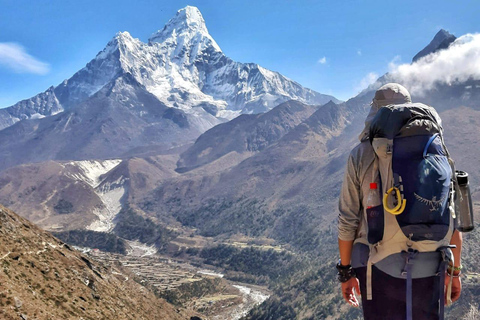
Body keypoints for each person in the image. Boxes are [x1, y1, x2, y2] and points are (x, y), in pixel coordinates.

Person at [337, 83, 462, 320]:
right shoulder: (437, 151)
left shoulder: (361, 154)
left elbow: (348, 221)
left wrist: (345, 273)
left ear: (375, 111)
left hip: (379, 268)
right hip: (431, 265)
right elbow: (452, 218)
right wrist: (455, 273)